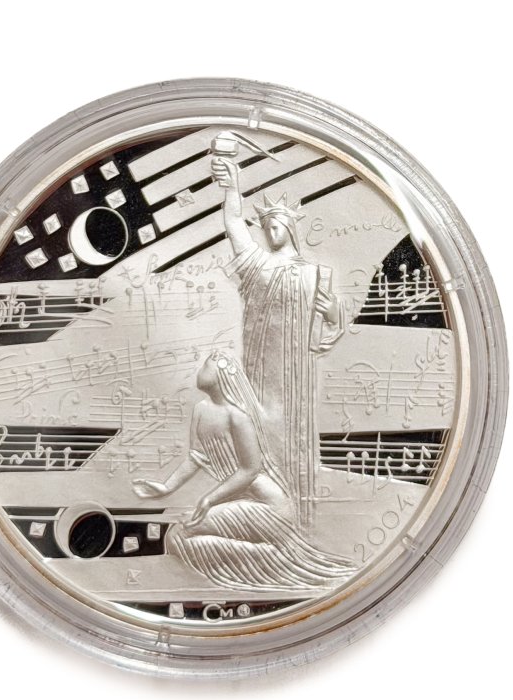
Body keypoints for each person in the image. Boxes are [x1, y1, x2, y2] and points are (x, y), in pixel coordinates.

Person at [132, 353, 354, 592]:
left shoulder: (237, 417)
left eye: (206, 365)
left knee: (178, 535)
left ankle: (274, 558)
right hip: (240, 501)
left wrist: (209, 500)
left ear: (221, 374)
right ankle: (269, 556)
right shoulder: (200, 410)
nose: (199, 369)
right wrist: (166, 487)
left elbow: (250, 470)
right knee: (177, 535)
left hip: (268, 506)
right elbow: (197, 456)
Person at [209, 155, 348, 525]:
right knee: (257, 433)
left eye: (275, 226)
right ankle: (262, 502)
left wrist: (334, 314)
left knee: (291, 435)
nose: (270, 232)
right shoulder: (257, 264)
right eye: (266, 227)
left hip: (295, 373)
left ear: (289, 228)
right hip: (259, 368)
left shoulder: (314, 273)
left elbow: (330, 326)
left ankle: (291, 510)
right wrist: (232, 189)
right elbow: (234, 225)